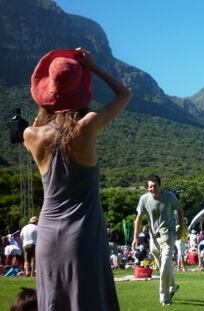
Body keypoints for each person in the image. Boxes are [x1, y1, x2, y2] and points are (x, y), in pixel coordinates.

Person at [24, 48, 132, 310]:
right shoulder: (85, 127)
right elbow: (124, 94)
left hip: (47, 235)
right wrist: (93, 67)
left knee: (53, 301)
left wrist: (49, 96)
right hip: (83, 233)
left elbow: (42, 117)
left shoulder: (31, 135)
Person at [132, 175, 184, 306]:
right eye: (150, 186)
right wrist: (135, 237)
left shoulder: (169, 196)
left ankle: (164, 297)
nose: (152, 189)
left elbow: (180, 210)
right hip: (153, 238)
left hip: (168, 235)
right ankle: (173, 285)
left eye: (155, 186)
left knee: (165, 265)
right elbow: (138, 218)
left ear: (160, 186)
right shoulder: (144, 199)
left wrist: (181, 229)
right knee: (162, 267)